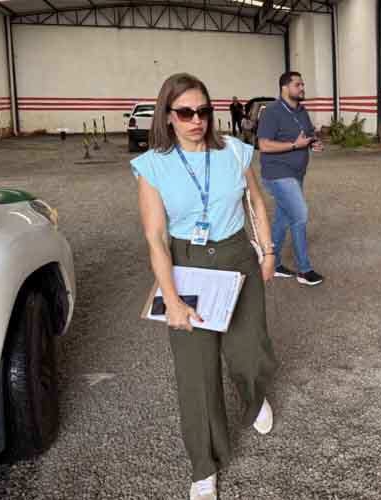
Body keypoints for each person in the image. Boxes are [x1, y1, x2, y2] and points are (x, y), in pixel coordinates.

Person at [131, 73, 278, 500]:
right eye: (185, 113)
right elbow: (155, 239)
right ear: (169, 116)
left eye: (203, 111)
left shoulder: (234, 150)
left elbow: (255, 201)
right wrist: (172, 301)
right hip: (187, 265)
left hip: (236, 258)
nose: (197, 120)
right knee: (196, 373)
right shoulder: (153, 166)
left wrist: (267, 252)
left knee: (249, 354)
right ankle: (203, 465)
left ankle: (253, 398)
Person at [257, 71, 325, 286]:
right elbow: (263, 145)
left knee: (283, 219)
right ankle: (304, 270)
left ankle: (273, 263)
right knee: (300, 215)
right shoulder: (272, 112)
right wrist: (294, 145)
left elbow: (309, 135)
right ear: (284, 88)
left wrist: (314, 143)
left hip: (297, 174)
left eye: (303, 84)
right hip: (278, 174)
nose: (302, 88)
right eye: (298, 85)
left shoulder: (302, 111)